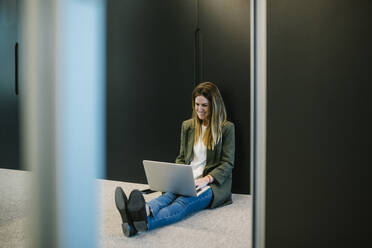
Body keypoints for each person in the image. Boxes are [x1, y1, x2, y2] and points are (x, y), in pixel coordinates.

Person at [115, 82, 235, 237]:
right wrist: (177, 175)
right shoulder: (188, 126)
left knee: (183, 203)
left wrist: (206, 179)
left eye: (204, 105)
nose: (199, 109)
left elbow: (228, 163)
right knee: (167, 196)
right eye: (197, 104)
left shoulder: (226, 128)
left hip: (211, 184)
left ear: (214, 105)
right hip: (187, 177)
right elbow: (182, 157)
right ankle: (142, 210)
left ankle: (136, 222)